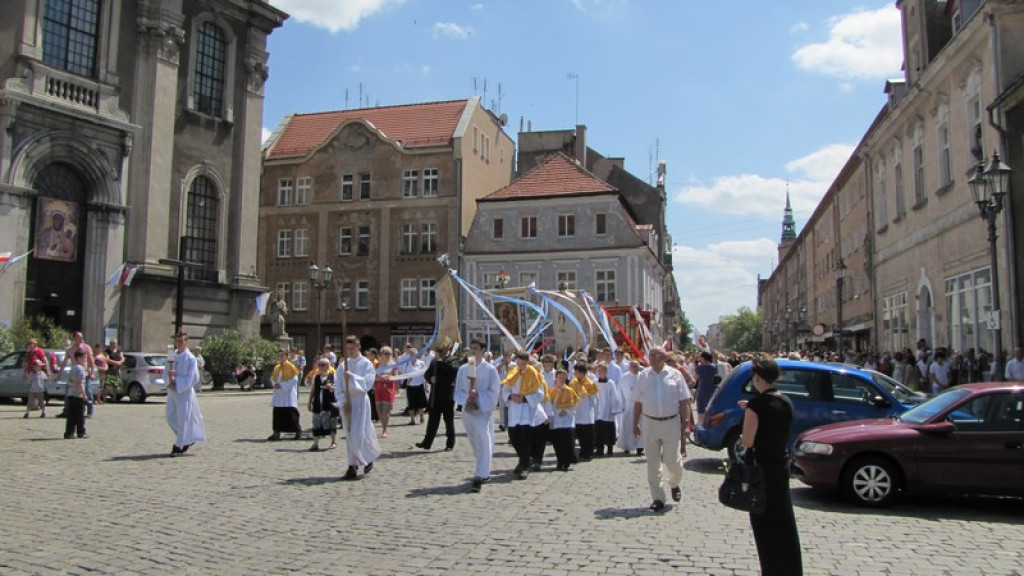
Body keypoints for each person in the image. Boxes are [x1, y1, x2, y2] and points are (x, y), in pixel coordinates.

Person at [739, 356, 803, 576]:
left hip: (762, 469)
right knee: (784, 522)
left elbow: (748, 441)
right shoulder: (786, 401)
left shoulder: (756, 405)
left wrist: (747, 415)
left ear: (757, 378)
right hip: (781, 465)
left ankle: (772, 570)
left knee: (765, 525)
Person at [632, 346, 691, 512]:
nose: (651, 357)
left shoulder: (675, 374)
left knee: (672, 460)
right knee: (652, 462)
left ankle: (674, 482)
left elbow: (684, 400)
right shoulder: (643, 376)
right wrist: (635, 423)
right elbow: (637, 402)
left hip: (671, 422)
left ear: (663, 357)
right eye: (650, 354)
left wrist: (685, 423)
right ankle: (658, 497)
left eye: (655, 354)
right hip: (650, 422)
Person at [453, 340, 501, 492]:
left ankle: (481, 474)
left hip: (482, 410)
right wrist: (466, 397)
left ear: (482, 350)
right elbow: (458, 391)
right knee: (475, 441)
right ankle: (482, 468)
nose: (473, 352)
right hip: (468, 410)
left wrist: (478, 396)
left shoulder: (490, 370)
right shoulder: (463, 369)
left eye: (476, 349)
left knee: (484, 437)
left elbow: (494, 391)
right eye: (471, 349)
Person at [336, 335, 381, 479]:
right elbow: (338, 386)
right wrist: (343, 401)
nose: (350, 351)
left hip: (360, 402)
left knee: (360, 433)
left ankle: (366, 459)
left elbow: (368, 383)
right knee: (350, 435)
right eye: (347, 348)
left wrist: (353, 377)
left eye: (352, 348)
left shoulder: (366, 364)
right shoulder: (343, 365)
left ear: (358, 347)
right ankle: (352, 465)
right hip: (348, 404)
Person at [500, 350, 548, 479]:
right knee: (514, 437)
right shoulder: (513, 374)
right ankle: (523, 460)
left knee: (525, 440)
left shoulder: (534, 374)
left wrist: (525, 398)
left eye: (522, 363)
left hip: (527, 412)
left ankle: (525, 466)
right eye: (518, 362)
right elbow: (505, 389)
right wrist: (510, 396)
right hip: (514, 411)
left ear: (527, 362)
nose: (520, 365)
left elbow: (540, 394)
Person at [167, 332, 206, 457]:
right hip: (173, 391)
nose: (179, 344)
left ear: (186, 342)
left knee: (183, 418)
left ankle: (178, 445)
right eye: (177, 341)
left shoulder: (190, 358)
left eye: (181, 341)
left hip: (184, 392)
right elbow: (165, 370)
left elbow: (193, 378)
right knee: (170, 417)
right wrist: (168, 377)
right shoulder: (172, 356)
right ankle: (187, 438)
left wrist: (177, 380)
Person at [415, 342, 459, 452]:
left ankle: (450, 443)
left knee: (448, 421)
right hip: (435, 395)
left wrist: (440, 363)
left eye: (441, 350)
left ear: (448, 350)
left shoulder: (453, 360)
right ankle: (427, 442)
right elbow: (427, 374)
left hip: (448, 395)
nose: (439, 353)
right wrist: (430, 379)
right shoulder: (434, 362)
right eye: (438, 350)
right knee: (432, 421)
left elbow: (453, 373)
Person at [547, 369, 580, 471]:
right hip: (557, 420)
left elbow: (574, 404)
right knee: (558, 443)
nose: (561, 380)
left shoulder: (569, 390)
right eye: (559, 377)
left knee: (568, 443)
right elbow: (549, 404)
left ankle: (567, 462)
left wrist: (567, 411)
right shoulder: (553, 392)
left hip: (567, 421)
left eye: (563, 378)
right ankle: (560, 461)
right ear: (556, 378)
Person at [268, 349, 303, 441]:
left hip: (287, 394)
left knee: (291, 413)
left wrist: (282, 385)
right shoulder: (277, 367)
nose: (281, 357)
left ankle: (297, 431)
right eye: (279, 356)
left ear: (287, 356)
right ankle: (276, 432)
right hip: (279, 395)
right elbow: (272, 378)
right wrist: (274, 384)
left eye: (282, 355)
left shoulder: (291, 367)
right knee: (277, 413)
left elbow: (294, 380)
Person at [306, 358, 338, 451]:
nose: (320, 367)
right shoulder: (316, 377)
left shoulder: (333, 376)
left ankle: (333, 442)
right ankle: (315, 443)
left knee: (332, 423)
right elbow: (313, 390)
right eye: (319, 365)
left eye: (323, 365)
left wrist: (331, 387)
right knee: (316, 423)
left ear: (328, 366)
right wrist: (309, 402)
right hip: (318, 403)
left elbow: (337, 388)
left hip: (329, 403)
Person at [568, 363, 598, 462]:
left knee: (588, 434)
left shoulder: (590, 383)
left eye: (576, 372)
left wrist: (587, 396)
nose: (575, 374)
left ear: (582, 373)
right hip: (577, 411)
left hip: (587, 411)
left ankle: (589, 452)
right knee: (580, 433)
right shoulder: (573, 382)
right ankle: (582, 451)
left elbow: (595, 398)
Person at [593, 361, 623, 457]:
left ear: (606, 371)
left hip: (608, 409)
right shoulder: (595, 382)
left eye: (602, 370)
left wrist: (614, 408)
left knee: (609, 429)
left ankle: (610, 448)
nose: (600, 372)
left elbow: (614, 396)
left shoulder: (610, 383)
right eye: (599, 370)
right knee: (599, 430)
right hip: (598, 409)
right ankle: (600, 448)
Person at [616, 360, 643, 455]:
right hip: (628, 405)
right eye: (633, 366)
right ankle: (626, 446)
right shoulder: (624, 377)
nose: (635, 368)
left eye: (636, 366)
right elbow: (619, 391)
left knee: (640, 425)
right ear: (629, 367)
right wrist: (622, 404)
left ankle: (640, 446)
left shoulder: (643, 376)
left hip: (640, 404)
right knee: (627, 426)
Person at [373, 346, 399, 437]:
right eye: (386, 353)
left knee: (386, 410)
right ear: (381, 355)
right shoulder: (377, 365)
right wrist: (379, 378)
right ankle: (383, 425)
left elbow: (396, 377)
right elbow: (372, 377)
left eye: (389, 353)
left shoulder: (393, 365)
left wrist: (389, 377)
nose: (388, 355)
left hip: (389, 389)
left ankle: (385, 429)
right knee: (379, 410)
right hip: (379, 388)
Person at [64, 350, 89, 439]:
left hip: (71, 393)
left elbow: (69, 380)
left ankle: (69, 433)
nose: (85, 360)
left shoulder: (72, 368)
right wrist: (84, 394)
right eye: (83, 358)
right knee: (80, 415)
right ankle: (81, 432)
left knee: (71, 415)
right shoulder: (81, 369)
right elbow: (80, 382)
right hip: (78, 395)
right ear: (78, 358)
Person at [402, 346, 428, 425]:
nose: (412, 355)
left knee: (421, 403)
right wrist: (407, 380)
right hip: (410, 386)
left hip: (419, 385)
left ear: (417, 354)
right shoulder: (407, 363)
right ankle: (412, 419)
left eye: (414, 354)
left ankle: (421, 415)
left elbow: (424, 375)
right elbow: (404, 374)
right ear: (409, 355)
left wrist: (426, 385)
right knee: (411, 404)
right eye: (411, 354)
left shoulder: (421, 363)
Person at [694, 350, 718, 425]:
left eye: (700, 357)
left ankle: (701, 428)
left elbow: (694, 379)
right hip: (712, 390)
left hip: (702, 390)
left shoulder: (699, 368)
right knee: (711, 411)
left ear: (703, 358)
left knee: (701, 412)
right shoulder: (714, 367)